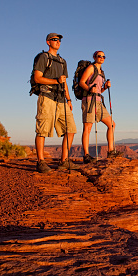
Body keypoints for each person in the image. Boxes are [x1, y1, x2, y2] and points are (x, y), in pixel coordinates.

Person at [33, 33, 80, 173]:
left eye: (59, 40)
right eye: (55, 40)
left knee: (70, 129)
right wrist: (55, 82)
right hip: (47, 97)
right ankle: (40, 162)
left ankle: (64, 161)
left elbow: (64, 81)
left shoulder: (62, 61)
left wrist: (69, 99)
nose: (58, 42)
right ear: (48, 42)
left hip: (61, 100)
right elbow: (37, 78)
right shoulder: (43, 57)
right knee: (42, 130)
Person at [78, 51, 123, 163]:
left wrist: (106, 87)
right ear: (94, 57)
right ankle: (86, 155)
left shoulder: (101, 72)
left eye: (103, 56)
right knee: (88, 128)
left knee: (111, 124)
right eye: (99, 56)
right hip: (89, 101)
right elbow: (81, 82)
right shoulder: (91, 68)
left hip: (98, 101)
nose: (102, 58)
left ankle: (111, 151)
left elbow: (99, 91)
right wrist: (89, 88)